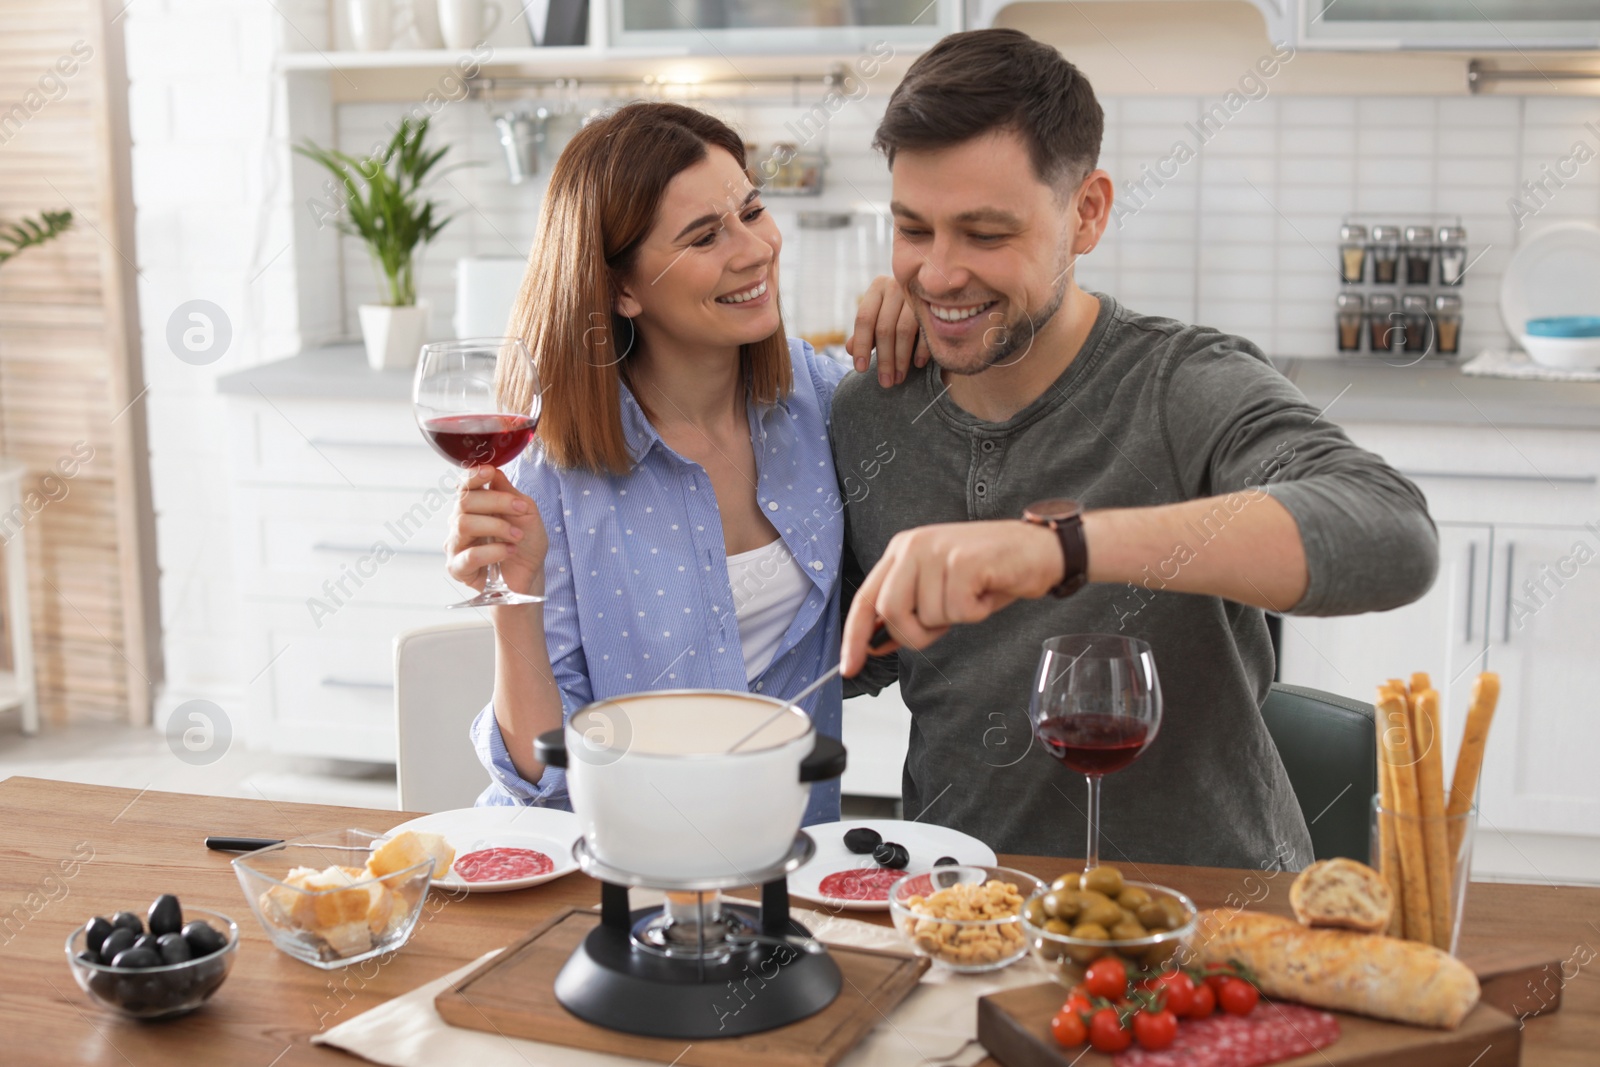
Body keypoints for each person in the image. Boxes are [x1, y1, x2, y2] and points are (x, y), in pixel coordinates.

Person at [832, 29, 1439, 870]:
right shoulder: (871, 409)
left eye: (984, 234)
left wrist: (1058, 549)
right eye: (913, 229)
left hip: (1208, 920)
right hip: (965, 912)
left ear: (1087, 213)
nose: (937, 274)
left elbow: (1392, 533)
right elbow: (847, 655)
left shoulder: (1181, 384)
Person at [445, 102, 914, 823]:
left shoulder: (818, 403)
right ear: (621, 289)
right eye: (704, 236)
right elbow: (543, 774)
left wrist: (917, 304)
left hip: (785, 858)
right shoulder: (556, 468)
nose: (753, 249)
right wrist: (517, 598)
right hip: (613, 866)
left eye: (751, 211)